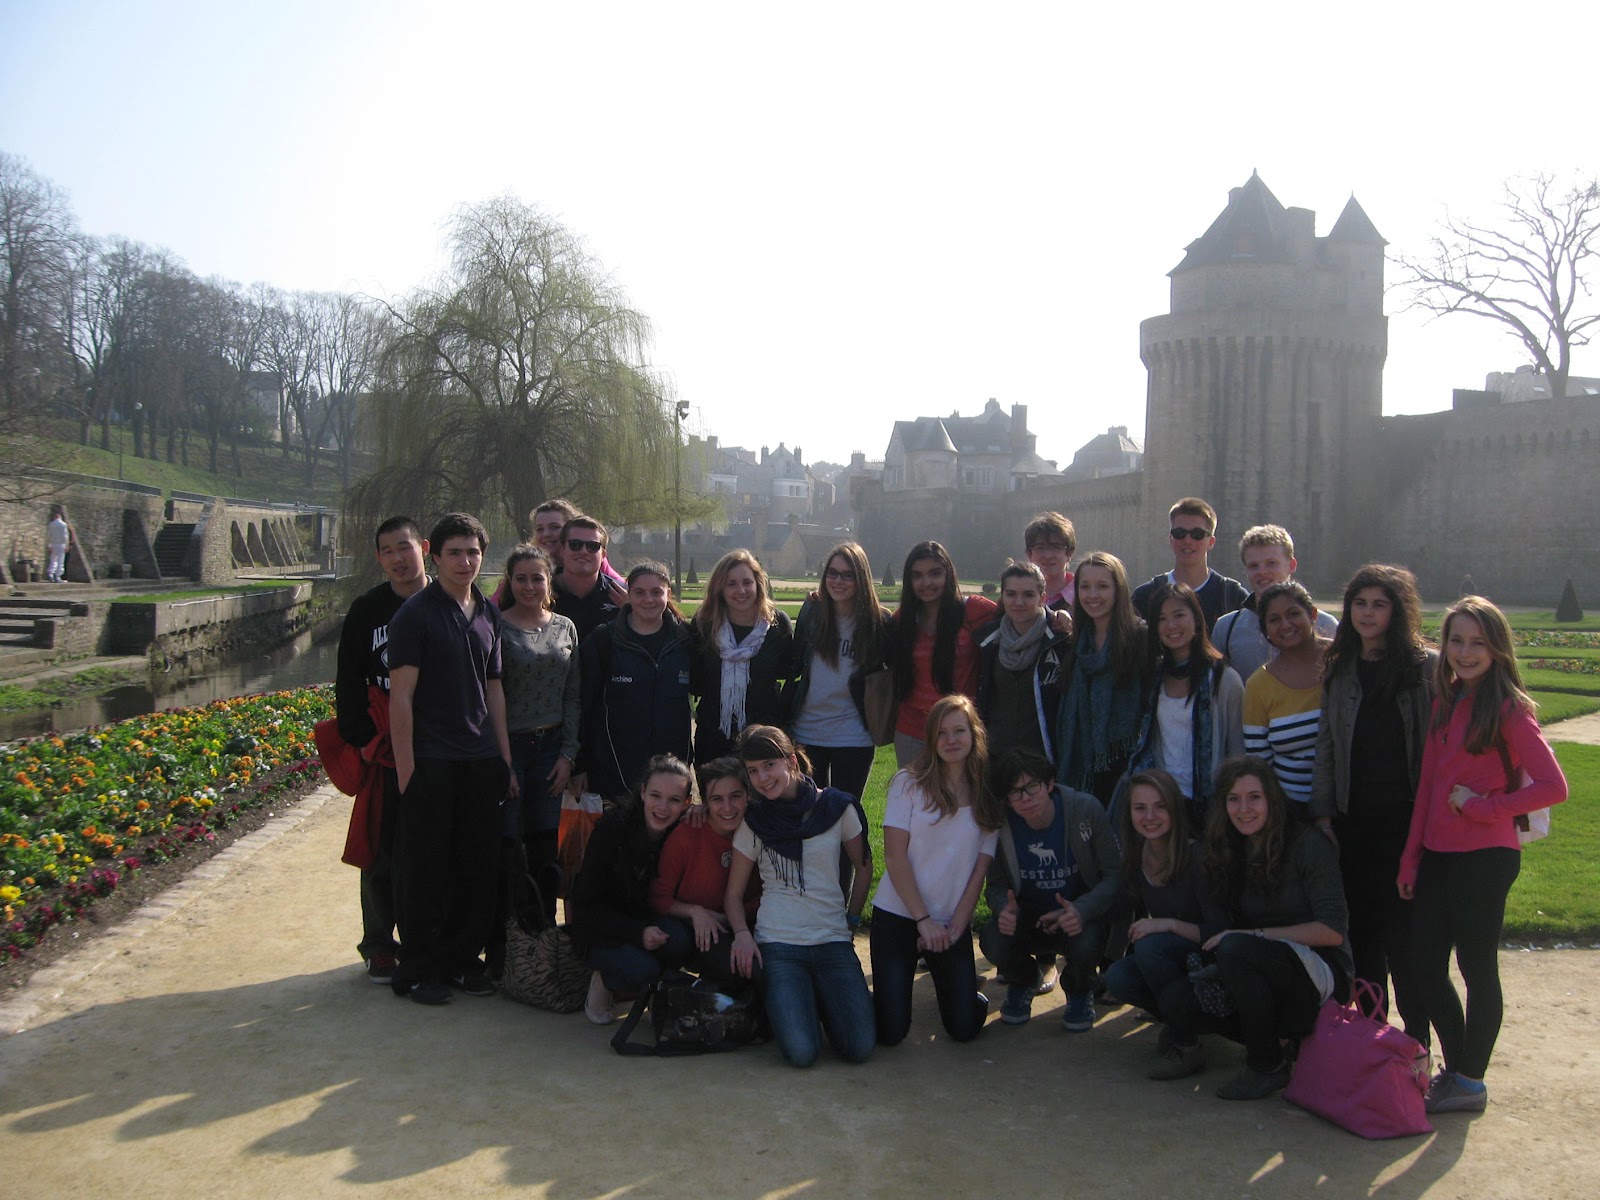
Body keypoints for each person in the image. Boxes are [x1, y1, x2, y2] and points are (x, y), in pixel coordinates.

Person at [1398, 597, 1568, 1115]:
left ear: (1496, 648)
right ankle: (1461, 1068)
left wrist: (1484, 806)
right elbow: (1428, 788)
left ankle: (1469, 1079)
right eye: (1455, 641)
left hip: (1485, 858)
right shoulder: (1446, 700)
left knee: (1475, 967)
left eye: (1477, 642)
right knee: (1424, 966)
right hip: (1440, 856)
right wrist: (1411, 857)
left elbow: (1553, 787)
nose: (1465, 652)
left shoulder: (1509, 708)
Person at [1154, 757, 1352, 1099]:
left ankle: (1267, 1065)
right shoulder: (1232, 847)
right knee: (1177, 1002)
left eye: (1254, 797)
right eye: (1234, 799)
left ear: (1272, 799)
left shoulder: (1308, 844)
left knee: (1234, 949)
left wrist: (1255, 937)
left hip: (1319, 970)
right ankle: (1282, 1040)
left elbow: (1333, 930)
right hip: (1256, 963)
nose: (1244, 808)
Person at [386, 512, 515, 1005]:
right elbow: (401, 697)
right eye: (455, 552)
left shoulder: (487, 611)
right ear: (433, 555)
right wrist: (406, 771)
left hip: (480, 760)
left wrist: (503, 759)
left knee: (476, 866)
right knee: (424, 870)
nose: (466, 561)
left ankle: (463, 959)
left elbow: (495, 690)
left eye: (474, 552)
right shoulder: (415, 615)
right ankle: (418, 967)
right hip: (432, 759)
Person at [1310, 564, 1435, 1049]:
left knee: (1404, 937)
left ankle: (1417, 1040)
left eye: (1379, 604)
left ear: (1396, 611)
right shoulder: (1339, 666)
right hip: (1353, 817)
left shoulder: (1422, 668)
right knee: (1362, 934)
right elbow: (1327, 744)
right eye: (1359, 603)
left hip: (1405, 820)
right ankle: (1375, 1033)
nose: (1367, 613)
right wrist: (1323, 813)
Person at [725, 725, 874, 1068]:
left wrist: (851, 920)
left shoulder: (836, 807)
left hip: (831, 941)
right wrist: (743, 935)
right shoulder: (755, 821)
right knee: (802, 1053)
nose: (762, 778)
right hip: (780, 945)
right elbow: (733, 894)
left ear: (791, 761)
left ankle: (822, 996)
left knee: (860, 1047)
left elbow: (864, 867)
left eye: (769, 765)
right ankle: (802, 997)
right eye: (753, 771)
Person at [870, 696, 1002, 1045]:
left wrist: (956, 926)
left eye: (959, 731)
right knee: (891, 1032)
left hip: (949, 922)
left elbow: (980, 869)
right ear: (931, 738)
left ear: (974, 735)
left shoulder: (987, 792)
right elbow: (895, 859)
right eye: (941, 733)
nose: (951, 740)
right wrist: (923, 920)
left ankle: (967, 989)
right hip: (899, 915)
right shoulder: (907, 783)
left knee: (964, 1028)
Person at [333, 515, 429, 983]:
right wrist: (363, 742)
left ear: (424, 548)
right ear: (378, 558)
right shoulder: (367, 610)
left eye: (404, 547)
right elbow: (348, 682)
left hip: (435, 744)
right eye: (387, 550)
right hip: (385, 746)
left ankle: (424, 936)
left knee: (430, 845)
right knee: (380, 846)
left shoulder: (447, 602)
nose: (397, 557)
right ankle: (378, 943)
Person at [980, 747, 1122, 1031]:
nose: (1026, 798)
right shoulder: (1000, 825)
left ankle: (1080, 989)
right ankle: (1023, 980)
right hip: (1028, 915)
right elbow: (995, 886)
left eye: (1032, 787)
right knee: (992, 938)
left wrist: (1082, 909)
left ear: (1049, 784)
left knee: (1088, 940)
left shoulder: (1085, 809)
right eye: (1015, 792)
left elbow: (1115, 874)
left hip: (1077, 914)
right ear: (1006, 799)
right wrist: (1003, 908)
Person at [1102, 769, 1228, 1073]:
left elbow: (1219, 930)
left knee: (1149, 946)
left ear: (1174, 809)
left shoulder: (1197, 856)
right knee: (1117, 977)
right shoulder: (1136, 854)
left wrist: (1167, 924)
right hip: (1175, 960)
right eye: (1139, 808)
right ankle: (1178, 1020)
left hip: (1210, 959)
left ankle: (1186, 1042)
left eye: (1160, 806)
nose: (1150, 816)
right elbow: (1120, 909)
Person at [571, 755, 694, 1024]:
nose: (663, 807)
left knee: (682, 942)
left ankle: (650, 988)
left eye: (674, 800)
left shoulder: (683, 832)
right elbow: (586, 908)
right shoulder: (612, 828)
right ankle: (605, 979)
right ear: (642, 792)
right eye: (655, 795)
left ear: (687, 804)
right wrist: (637, 933)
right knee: (644, 969)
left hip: (650, 921)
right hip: (602, 931)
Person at [497, 543, 581, 921]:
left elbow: (573, 695)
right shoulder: (496, 628)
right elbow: (488, 698)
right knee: (510, 846)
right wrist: (503, 761)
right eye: (521, 579)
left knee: (546, 844)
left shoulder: (566, 628)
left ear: (549, 581)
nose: (529, 586)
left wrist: (568, 754)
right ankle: (510, 944)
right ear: (509, 581)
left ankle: (544, 939)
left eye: (537, 578)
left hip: (551, 748)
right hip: (511, 746)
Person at [1128, 582, 1244, 827]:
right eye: (1162, 619)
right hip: (1165, 802)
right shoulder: (1154, 677)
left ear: (1197, 620)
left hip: (1212, 805)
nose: (1172, 626)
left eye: (1179, 615)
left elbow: (1237, 751)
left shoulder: (1224, 680)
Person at [577, 561, 694, 804]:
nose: (648, 600)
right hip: (615, 772)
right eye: (639, 592)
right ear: (628, 594)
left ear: (668, 594)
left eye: (656, 592)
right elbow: (582, 705)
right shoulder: (604, 640)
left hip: (670, 774)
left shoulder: (686, 639)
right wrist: (579, 764)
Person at [789, 541, 892, 806]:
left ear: (862, 579)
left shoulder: (878, 622)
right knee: (811, 815)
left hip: (853, 733)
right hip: (808, 730)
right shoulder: (812, 612)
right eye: (832, 573)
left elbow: (894, 673)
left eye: (848, 575)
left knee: (848, 815)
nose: (838, 581)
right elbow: (793, 664)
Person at [648, 757, 763, 988]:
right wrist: (695, 912)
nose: (728, 807)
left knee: (764, 972)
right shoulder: (686, 835)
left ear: (748, 795)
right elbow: (658, 897)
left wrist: (734, 918)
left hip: (744, 923)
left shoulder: (759, 828)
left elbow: (769, 890)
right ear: (706, 803)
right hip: (696, 928)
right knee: (739, 970)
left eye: (735, 796)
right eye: (717, 799)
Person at [889, 540, 998, 768]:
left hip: (959, 732)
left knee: (960, 801)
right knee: (917, 802)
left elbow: (1021, 614)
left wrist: (1056, 616)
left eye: (935, 573)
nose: (926, 582)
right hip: (912, 731)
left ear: (948, 574)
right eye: (917, 575)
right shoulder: (902, 621)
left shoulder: (975, 611)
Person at [1055, 551, 1149, 805]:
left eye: (1102, 586)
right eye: (1084, 587)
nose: (1092, 595)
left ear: (1118, 590)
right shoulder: (1075, 643)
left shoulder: (1140, 638)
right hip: (1083, 764)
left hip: (1126, 765)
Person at [691, 549, 795, 763]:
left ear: (758, 584)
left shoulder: (777, 625)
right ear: (719, 588)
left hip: (763, 738)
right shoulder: (704, 625)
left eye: (747, 582)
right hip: (713, 736)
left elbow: (789, 671)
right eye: (731, 584)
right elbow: (696, 679)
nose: (741, 590)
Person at [1242, 581, 1332, 812]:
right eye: (1274, 620)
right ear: (1265, 630)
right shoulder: (1258, 686)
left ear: (1312, 614)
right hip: (1292, 811)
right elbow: (1260, 763)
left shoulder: (1342, 661)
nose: (1285, 625)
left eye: (1293, 614)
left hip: (1350, 802)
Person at [1211, 525, 1338, 681]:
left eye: (1271, 563)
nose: (1262, 572)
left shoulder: (1325, 625)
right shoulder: (1226, 629)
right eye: (1253, 566)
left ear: (1291, 566)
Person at [975, 560, 1070, 765]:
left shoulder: (1062, 640)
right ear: (1003, 597)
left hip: (1047, 758)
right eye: (1011, 594)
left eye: (1028, 595)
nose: (1019, 602)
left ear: (1042, 598)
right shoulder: (987, 641)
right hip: (997, 758)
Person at [1130, 497, 1248, 634]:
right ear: (1171, 539)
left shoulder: (1233, 597)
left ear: (1211, 542)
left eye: (1197, 534)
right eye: (1180, 533)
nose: (1187, 540)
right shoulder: (1144, 596)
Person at [551, 515, 620, 642]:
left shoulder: (622, 597)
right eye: (575, 544)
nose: (583, 551)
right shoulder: (541, 591)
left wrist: (633, 611)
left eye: (592, 546)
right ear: (562, 550)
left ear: (603, 555)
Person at [1024, 511, 1076, 610]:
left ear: (1069, 553)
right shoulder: (1017, 598)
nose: (1048, 556)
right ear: (1029, 554)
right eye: (1040, 548)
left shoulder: (1084, 597)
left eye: (1056, 547)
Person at [44, 505, 69, 583]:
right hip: (61, 544)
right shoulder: (63, 525)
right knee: (60, 561)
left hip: (53, 544)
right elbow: (65, 535)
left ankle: (51, 574)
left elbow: (48, 535)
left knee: (53, 560)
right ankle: (58, 577)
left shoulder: (51, 524)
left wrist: (48, 544)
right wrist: (66, 545)